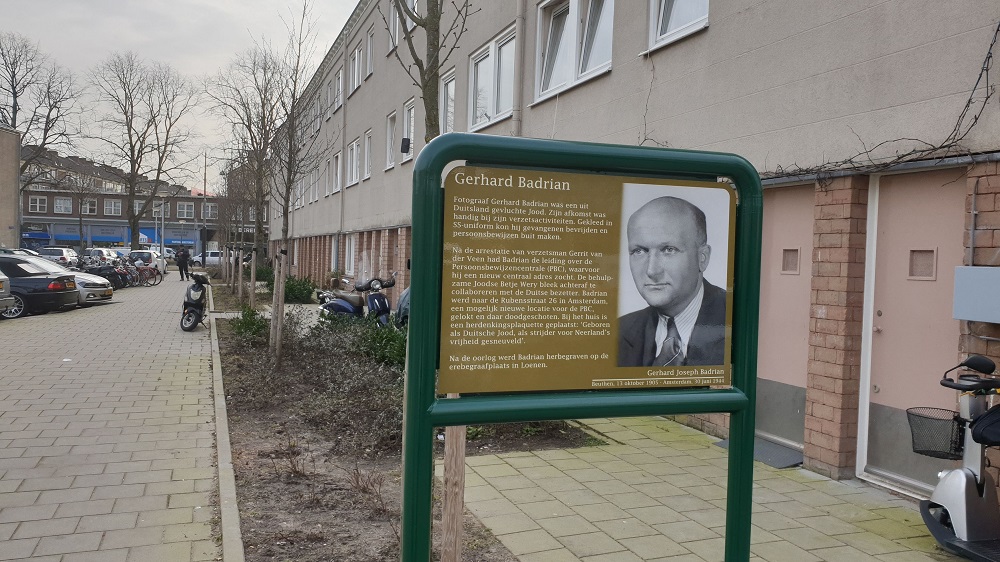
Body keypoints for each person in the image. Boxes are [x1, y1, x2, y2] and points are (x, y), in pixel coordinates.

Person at [618, 196, 726, 367]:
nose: (651, 271)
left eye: (668, 250)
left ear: (702, 258)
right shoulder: (619, 331)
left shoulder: (739, 319)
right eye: (639, 251)